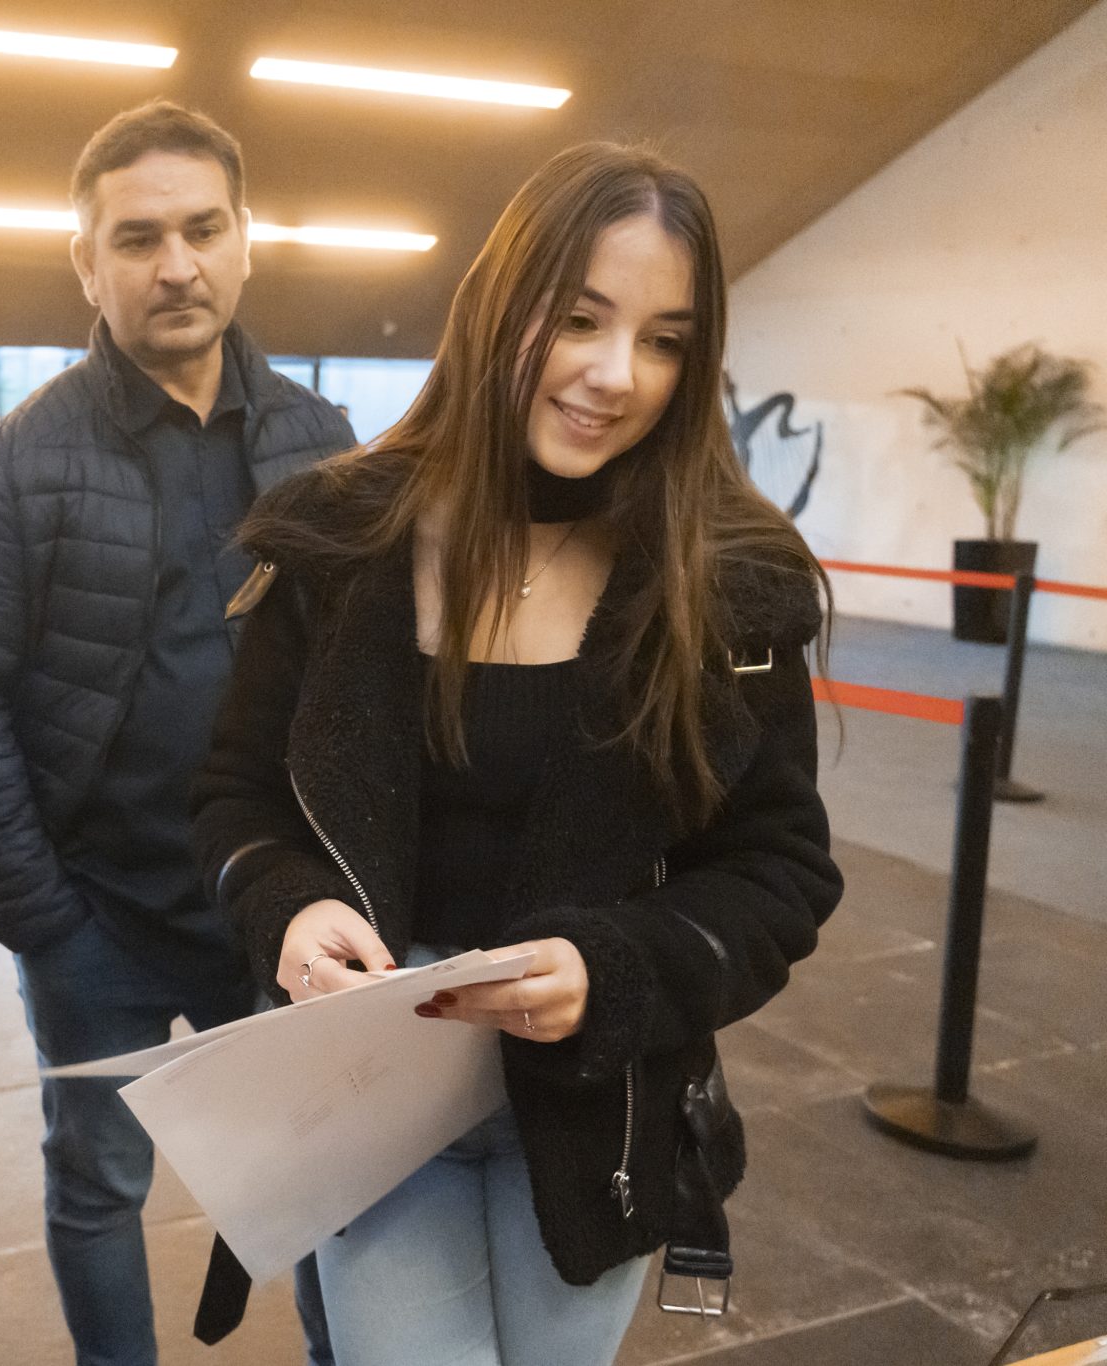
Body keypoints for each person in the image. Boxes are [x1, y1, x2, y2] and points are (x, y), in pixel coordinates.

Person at [191, 143, 843, 1366]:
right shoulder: (341, 542)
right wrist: (288, 908)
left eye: (662, 340)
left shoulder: (726, 585)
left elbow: (778, 873)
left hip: (598, 1110)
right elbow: (237, 798)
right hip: (373, 1099)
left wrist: (611, 968)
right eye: (579, 319)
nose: (615, 374)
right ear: (498, 305)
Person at [0, 99, 354, 1366]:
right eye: (138, 237)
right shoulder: (14, 466)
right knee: (99, 1180)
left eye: (202, 229)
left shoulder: (321, 447)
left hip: (273, 905)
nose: (175, 265)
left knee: (313, 1175)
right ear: (85, 261)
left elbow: (362, 679)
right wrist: (38, 914)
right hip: (94, 916)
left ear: (244, 240)